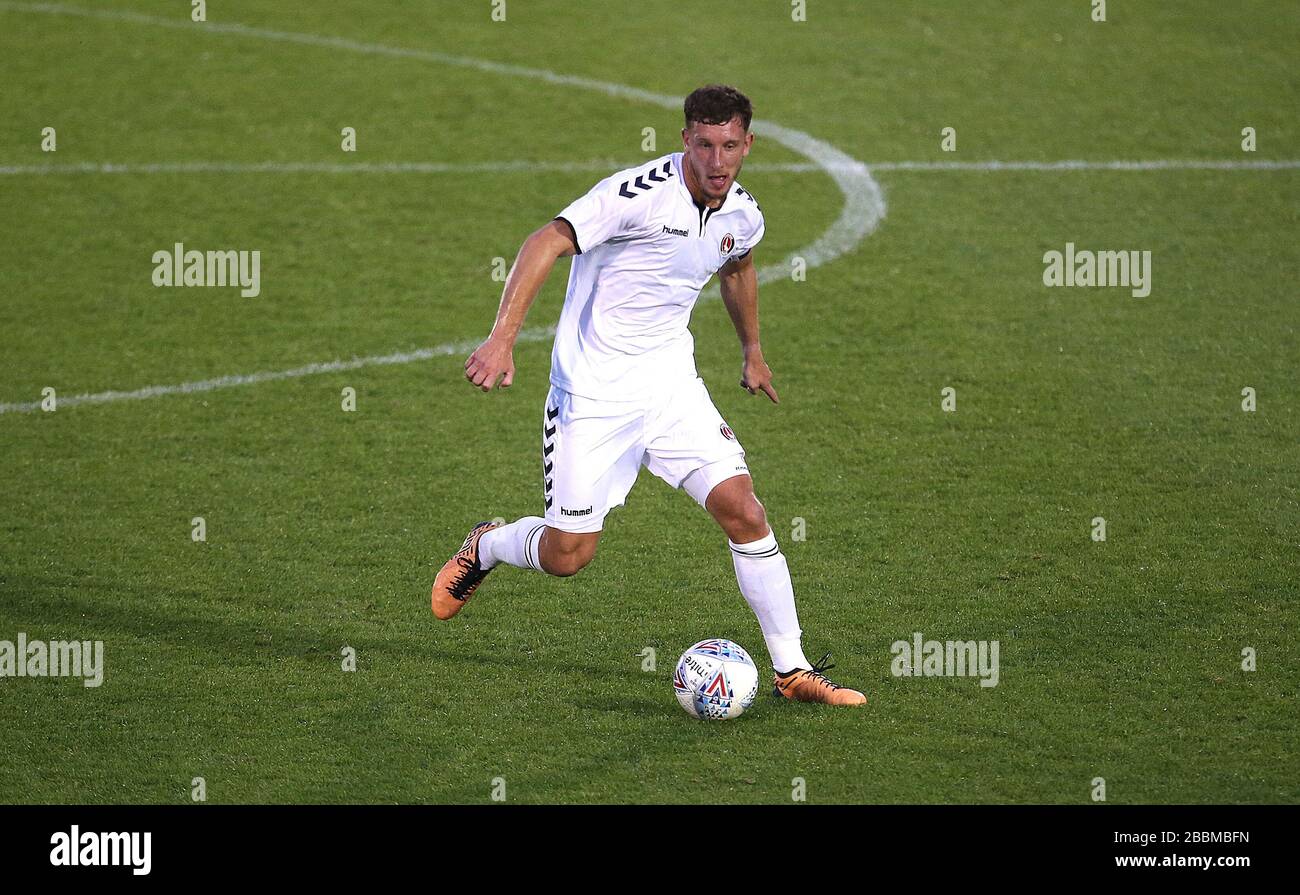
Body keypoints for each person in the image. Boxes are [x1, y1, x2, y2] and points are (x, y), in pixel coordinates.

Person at [431, 84, 864, 706]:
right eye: (707, 144)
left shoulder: (743, 213)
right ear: (685, 138)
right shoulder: (633, 196)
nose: (719, 161)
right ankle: (490, 544)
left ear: (749, 145)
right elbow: (545, 240)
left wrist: (752, 352)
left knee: (745, 510)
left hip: (670, 390)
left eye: (732, 146)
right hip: (592, 396)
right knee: (568, 555)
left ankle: (792, 671)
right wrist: (502, 339)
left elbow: (737, 268)